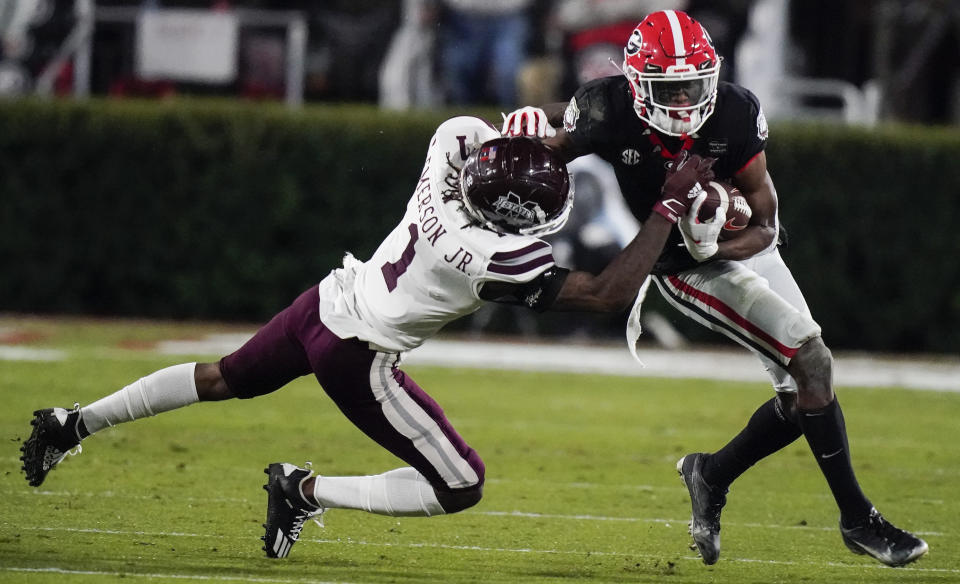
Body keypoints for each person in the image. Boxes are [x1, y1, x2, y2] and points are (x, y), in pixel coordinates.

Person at [19, 115, 717, 559]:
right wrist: (667, 203)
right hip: (358, 356)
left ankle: (72, 422)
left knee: (220, 377)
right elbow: (607, 294)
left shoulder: (454, 144)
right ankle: (303, 490)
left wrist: (532, 136)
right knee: (461, 484)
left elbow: (495, 141)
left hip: (326, 300)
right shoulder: (497, 257)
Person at [501, 9, 928, 568]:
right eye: (669, 88)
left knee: (803, 391)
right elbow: (560, 131)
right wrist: (524, 128)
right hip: (681, 266)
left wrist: (716, 244)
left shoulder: (734, 111)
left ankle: (710, 473)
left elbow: (767, 227)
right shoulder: (609, 109)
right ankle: (858, 520)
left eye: (693, 85)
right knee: (813, 362)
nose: (683, 101)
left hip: (731, 249)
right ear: (637, 85)